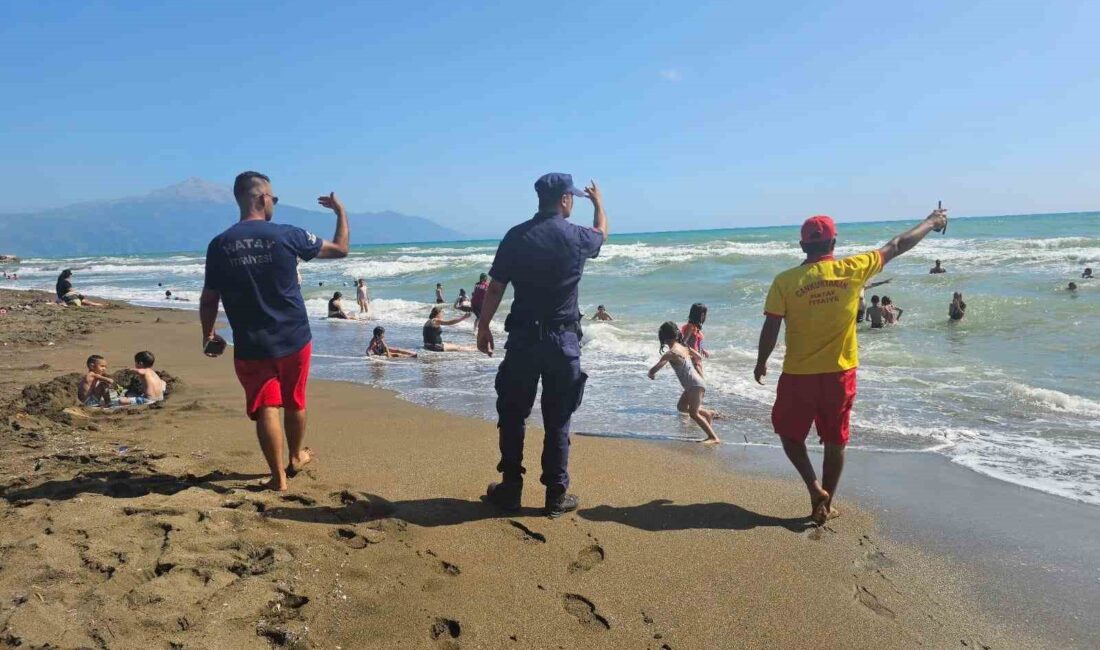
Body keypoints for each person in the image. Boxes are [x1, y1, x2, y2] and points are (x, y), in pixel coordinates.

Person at [753, 208, 947, 524]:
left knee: (789, 435)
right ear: (834, 242)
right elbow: (897, 245)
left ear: (803, 246)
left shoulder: (785, 281)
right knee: (835, 440)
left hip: (798, 374)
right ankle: (824, 506)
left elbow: (771, 327)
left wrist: (761, 362)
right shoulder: (853, 268)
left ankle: (815, 489)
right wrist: (932, 222)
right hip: (840, 373)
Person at [200, 171, 349, 491]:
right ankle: (295, 456)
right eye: (274, 198)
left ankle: (277, 477)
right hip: (294, 337)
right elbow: (340, 249)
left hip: (251, 343)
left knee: (266, 404)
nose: (275, 204)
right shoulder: (287, 235)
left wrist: (208, 334)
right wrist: (340, 212)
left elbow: (209, 298)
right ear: (261, 198)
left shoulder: (220, 245)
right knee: (295, 401)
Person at [476, 173, 608, 518]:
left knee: (513, 413)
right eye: (574, 199)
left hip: (522, 339)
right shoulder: (577, 237)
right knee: (558, 418)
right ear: (566, 199)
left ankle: (510, 488)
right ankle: (555, 494)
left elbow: (495, 288)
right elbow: (602, 234)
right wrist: (599, 203)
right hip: (562, 340)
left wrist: (484, 326)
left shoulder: (517, 236)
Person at [648, 322, 720, 444]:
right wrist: (689, 350)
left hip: (694, 385)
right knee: (681, 406)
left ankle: (713, 437)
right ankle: (708, 413)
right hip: (695, 383)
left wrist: (651, 373)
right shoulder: (683, 348)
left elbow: (656, 368)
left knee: (694, 413)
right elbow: (698, 356)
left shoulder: (671, 353)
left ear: (663, 338)